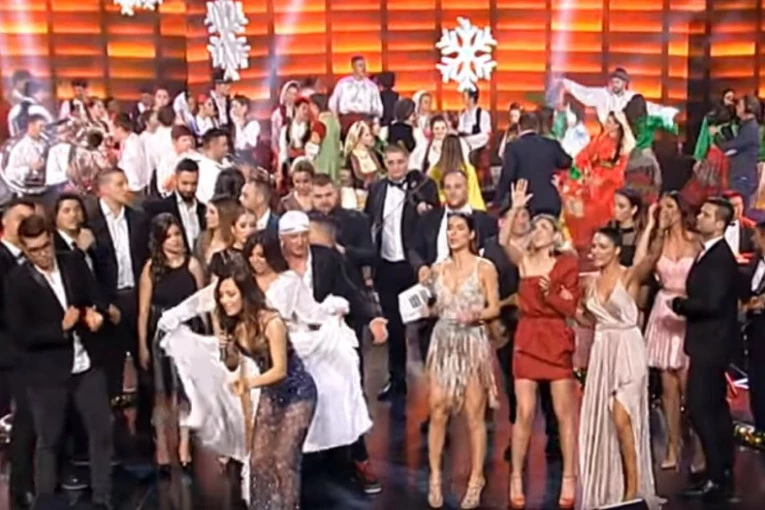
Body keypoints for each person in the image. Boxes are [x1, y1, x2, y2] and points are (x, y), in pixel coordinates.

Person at [5, 215, 113, 509]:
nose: (42, 254)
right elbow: (21, 333)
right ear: (25, 249)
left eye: (45, 246)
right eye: (34, 250)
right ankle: (45, 500)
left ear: (51, 240)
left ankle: (103, 498)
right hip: (47, 373)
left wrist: (95, 313)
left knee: (101, 431)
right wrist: (60, 328)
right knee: (49, 440)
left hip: (86, 364)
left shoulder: (72, 262)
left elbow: (94, 295)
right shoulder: (17, 281)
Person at [244, 231, 373, 453]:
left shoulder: (289, 282)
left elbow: (311, 312)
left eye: (261, 255)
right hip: (249, 348)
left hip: (280, 346)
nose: (256, 260)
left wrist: (334, 309)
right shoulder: (243, 282)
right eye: (252, 255)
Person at [501, 180, 578, 509]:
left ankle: (569, 477)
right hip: (528, 336)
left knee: (563, 413)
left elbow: (571, 307)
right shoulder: (524, 261)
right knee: (524, 412)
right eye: (535, 227)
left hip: (555, 337)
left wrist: (552, 293)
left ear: (556, 234)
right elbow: (503, 240)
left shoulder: (567, 263)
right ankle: (516, 477)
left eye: (545, 227)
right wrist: (517, 207)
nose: (538, 230)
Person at [218, 269, 317, 508]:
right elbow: (232, 364)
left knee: (284, 459)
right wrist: (226, 349)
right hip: (272, 394)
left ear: (245, 293)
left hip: (298, 393)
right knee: (259, 460)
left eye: (230, 294)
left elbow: (280, 370)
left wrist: (248, 383)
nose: (224, 301)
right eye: (221, 296)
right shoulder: (235, 325)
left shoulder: (272, 322)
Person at [578, 226, 661, 509]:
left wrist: (654, 225)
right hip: (603, 352)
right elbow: (589, 319)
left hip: (628, 350)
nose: (596, 251)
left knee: (622, 417)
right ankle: (615, 486)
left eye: (602, 246)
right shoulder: (589, 282)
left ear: (616, 250)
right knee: (608, 421)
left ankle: (633, 489)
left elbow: (650, 257)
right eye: (593, 246)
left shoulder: (629, 276)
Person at [425, 213, 500, 509]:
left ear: (471, 234)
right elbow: (433, 308)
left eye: (459, 229)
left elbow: (494, 307)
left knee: (474, 414)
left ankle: (476, 479)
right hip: (443, 341)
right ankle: (434, 477)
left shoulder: (485, 268)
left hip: (471, 342)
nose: (453, 233)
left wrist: (476, 315)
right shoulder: (437, 268)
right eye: (450, 229)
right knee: (437, 409)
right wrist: (425, 307)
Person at [672, 197, 740, 503]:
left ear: (720, 224)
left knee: (701, 408)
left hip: (712, 344)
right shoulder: (710, 253)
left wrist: (680, 305)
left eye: (706, 214)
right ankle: (720, 472)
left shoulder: (720, 258)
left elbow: (711, 303)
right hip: (708, 343)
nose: (699, 217)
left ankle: (717, 476)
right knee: (713, 409)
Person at [364, 145, 438, 401]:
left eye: (400, 162)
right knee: (394, 327)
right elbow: (369, 222)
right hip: (386, 266)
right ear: (385, 164)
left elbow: (434, 221)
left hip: (414, 266)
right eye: (391, 162)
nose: (396, 167)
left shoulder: (423, 186)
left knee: (424, 324)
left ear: (407, 162)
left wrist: (425, 209)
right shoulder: (376, 189)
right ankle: (397, 381)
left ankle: (434, 385)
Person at [638, 193, 702, 470]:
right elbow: (639, 265)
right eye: (661, 207)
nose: (665, 210)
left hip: (688, 312)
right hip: (664, 311)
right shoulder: (658, 242)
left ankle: (699, 447)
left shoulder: (696, 241)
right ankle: (673, 446)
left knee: (691, 389)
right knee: (668, 389)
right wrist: (653, 227)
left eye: (669, 206)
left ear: (680, 210)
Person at [137, 214, 205, 472]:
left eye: (177, 234)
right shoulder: (151, 268)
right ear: (160, 241)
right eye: (169, 237)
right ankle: (163, 447)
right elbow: (143, 311)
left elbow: (202, 304)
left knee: (186, 392)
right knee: (162, 393)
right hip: (162, 337)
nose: (175, 240)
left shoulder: (193, 265)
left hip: (189, 333)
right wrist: (142, 344)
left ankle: (185, 445)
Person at [0, 198, 36, 509]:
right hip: (6, 352)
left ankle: (21, 486)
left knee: (26, 420)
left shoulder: (34, 260)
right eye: (20, 218)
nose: (26, 224)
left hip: (31, 353)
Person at [561, 111, 635, 252]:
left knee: (592, 211)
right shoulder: (600, 139)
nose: (606, 124)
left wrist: (602, 179)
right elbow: (582, 157)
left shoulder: (625, 146)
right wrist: (585, 172)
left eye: (610, 122)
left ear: (618, 125)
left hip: (610, 187)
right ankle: (579, 243)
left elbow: (621, 171)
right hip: (592, 183)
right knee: (571, 201)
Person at [495, 112, 572, 215]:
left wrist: (498, 200)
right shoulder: (552, 144)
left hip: (525, 204)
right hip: (550, 202)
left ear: (519, 128)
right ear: (537, 127)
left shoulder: (513, 147)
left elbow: (508, 175)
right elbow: (567, 162)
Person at [561, 67, 678, 126]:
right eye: (613, 82)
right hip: (607, 136)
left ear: (625, 84)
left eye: (617, 82)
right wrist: (565, 84)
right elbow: (584, 93)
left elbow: (649, 108)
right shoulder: (603, 94)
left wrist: (667, 112)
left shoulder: (631, 98)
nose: (614, 85)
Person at [145, 158, 206, 252]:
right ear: (175, 179)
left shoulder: (203, 210)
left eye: (194, 184)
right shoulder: (160, 209)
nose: (189, 188)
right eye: (185, 183)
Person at [716, 95, 760, 212]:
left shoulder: (750, 128)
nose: (736, 107)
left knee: (738, 211)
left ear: (748, 107)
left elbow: (730, 147)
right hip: (739, 175)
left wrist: (716, 136)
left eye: (739, 105)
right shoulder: (745, 126)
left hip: (743, 178)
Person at [743, 222, 765, 430]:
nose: (752, 239)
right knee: (756, 379)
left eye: (756, 235)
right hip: (755, 330)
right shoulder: (756, 263)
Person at [428, 134, 486, 211]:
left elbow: (432, 194)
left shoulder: (435, 170)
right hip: (464, 209)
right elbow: (474, 195)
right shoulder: (468, 169)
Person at [328, 55, 383, 135]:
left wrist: (376, 123)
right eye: (360, 65)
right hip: (346, 121)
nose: (363, 69)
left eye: (364, 66)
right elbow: (333, 103)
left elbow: (377, 108)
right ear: (353, 67)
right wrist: (336, 122)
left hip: (365, 120)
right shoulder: (343, 84)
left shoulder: (372, 87)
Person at [607, 188, 643, 266]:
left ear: (633, 209)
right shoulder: (608, 229)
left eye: (621, 206)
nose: (615, 209)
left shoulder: (639, 235)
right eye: (614, 205)